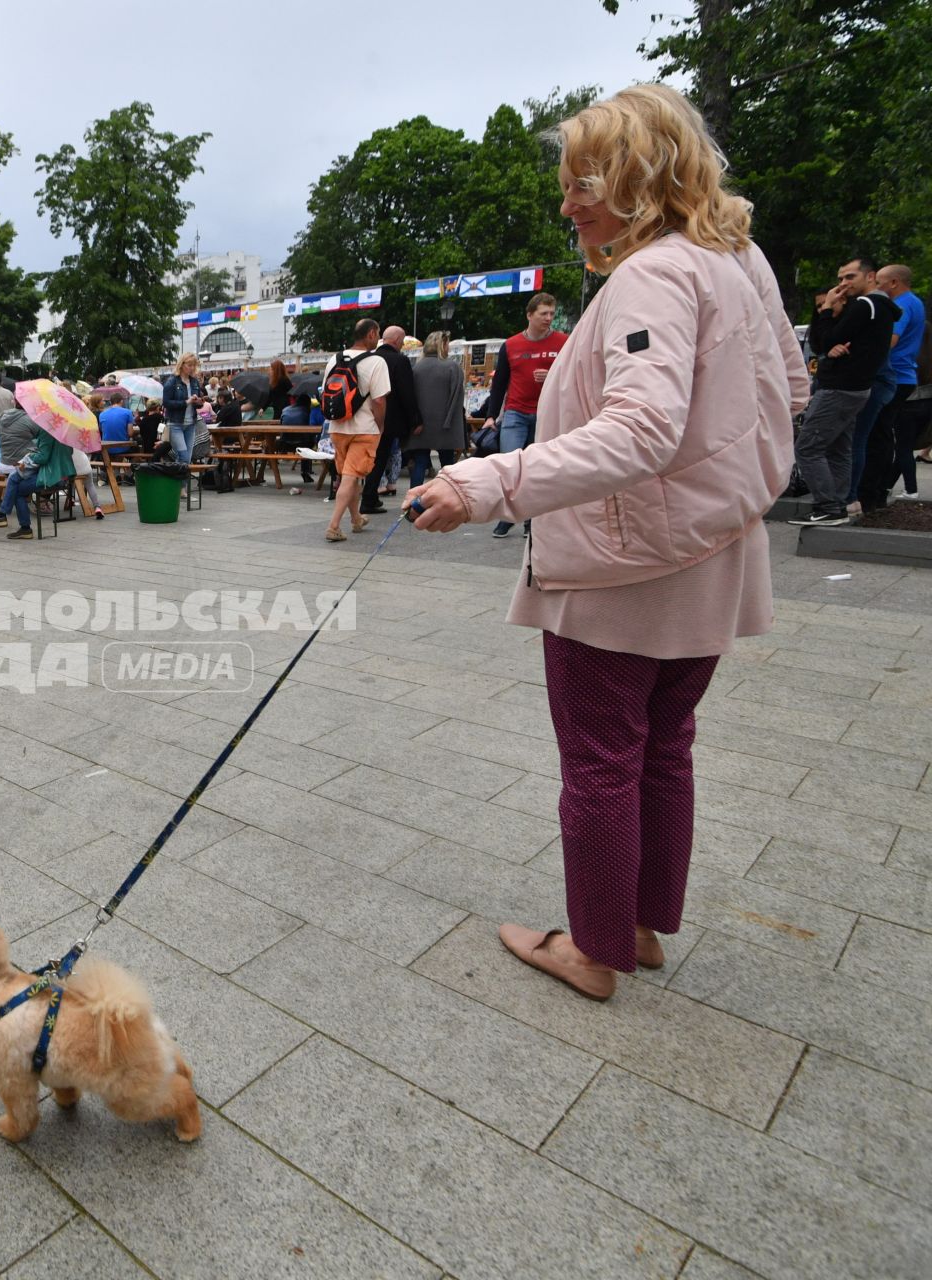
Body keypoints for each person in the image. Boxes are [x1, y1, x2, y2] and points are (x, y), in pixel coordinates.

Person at [404, 84, 808, 1001]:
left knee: (600, 758)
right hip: (711, 552)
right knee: (664, 747)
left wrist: (484, 483)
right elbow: (790, 386)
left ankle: (593, 951)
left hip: (629, 562)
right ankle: (638, 928)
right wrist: (727, 492)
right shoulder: (736, 258)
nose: (566, 204)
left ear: (635, 171)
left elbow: (640, 433)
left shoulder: (656, 272)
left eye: (580, 180)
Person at [789, 258, 899, 525]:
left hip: (840, 388)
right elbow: (823, 342)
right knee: (839, 448)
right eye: (840, 279)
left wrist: (827, 311)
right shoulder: (879, 309)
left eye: (850, 277)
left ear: (870, 277)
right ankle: (837, 504)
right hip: (854, 388)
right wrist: (826, 319)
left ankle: (828, 505)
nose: (843, 284)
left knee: (807, 448)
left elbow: (827, 340)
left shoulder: (865, 305)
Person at [478, 292, 569, 536]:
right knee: (510, 465)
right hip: (515, 412)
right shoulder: (512, 345)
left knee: (537, 468)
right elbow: (499, 384)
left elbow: (574, 376)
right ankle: (508, 516)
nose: (549, 318)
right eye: (544, 314)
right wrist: (490, 415)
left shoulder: (564, 342)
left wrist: (552, 377)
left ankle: (530, 519)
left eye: (552, 313)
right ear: (530, 315)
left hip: (547, 412)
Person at [855, 263, 924, 513]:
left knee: (876, 435)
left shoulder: (901, 306)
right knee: (882, 434)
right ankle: (877, 491)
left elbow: (889, 340)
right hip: (905, 376)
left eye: (880, 281)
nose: (876, 286)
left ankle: (870, 492)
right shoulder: (915, 302)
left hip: (893, 375)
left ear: (894, 283)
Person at [321, 319, 391, 541]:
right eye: (377, 333)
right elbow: (379, 401)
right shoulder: (377, 362)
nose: (378, 338)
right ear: (371, 334)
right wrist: (380, 427)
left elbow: (326, 391)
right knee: (351, 478)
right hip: (364, 429)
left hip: (338, 427)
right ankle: (333, 526)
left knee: (348, 476)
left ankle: (356, 519)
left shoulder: (335, 358)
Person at [0, 422, 77, 539]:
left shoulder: (47, 429)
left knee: (16, 489)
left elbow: (43, 457)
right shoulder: (64, 429)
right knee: (15, 482)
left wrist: (28, 457)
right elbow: (65, 452)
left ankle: (17, 524)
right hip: (64, 475)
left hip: (51, 476)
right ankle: (7, 519)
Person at [364, 327, 421, 512]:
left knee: (372, 458)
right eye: (402, 341)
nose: (403, 345)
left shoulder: (369, 359)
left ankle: (370, 496)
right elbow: (407, 393)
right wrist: (415, 419)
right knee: (381, 459)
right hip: (389, 420)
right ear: (396, 340)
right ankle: (369, 498)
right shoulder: (400, 361)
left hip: (366, 417)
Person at [408, 331, 467, 488]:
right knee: (448, 465)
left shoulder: (416, 369)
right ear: (443, 345)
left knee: (420, 462)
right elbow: (456, 400)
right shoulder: (452, 367)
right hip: (445, 425)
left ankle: (412, 500)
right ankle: (448, 496)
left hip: (421, 425)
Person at [163, 354, 206, 463]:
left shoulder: (194, 381)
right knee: (184, 457)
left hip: (191, 423)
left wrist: (199, 402)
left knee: (185, 459)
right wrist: (186, 402)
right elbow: (166, 403)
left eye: (194, 365)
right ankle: (178, 479)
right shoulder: (172, 381)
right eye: (189, 365)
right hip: (175, 424)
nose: (192, 368)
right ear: (181, 365)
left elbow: (196, 403)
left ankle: (179, 480)